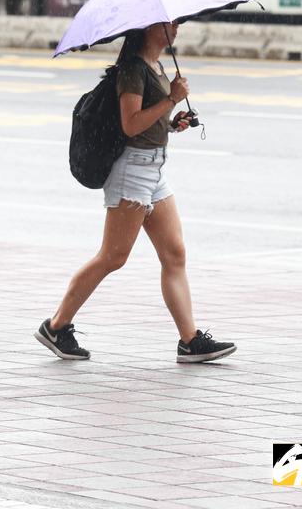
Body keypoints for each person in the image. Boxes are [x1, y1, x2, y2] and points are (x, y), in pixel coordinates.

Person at [36, 22, 237, 363]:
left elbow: (150, 123)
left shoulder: (157, 67)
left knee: (175, 253)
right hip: (132, 172)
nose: (176, 28)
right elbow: (131, 124)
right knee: (113, 257)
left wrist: (174, 121)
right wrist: (171, 99)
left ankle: (190, 340)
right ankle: (56, 326)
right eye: (170, 24)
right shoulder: (132, 70)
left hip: (154, 170)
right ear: (151, 29)